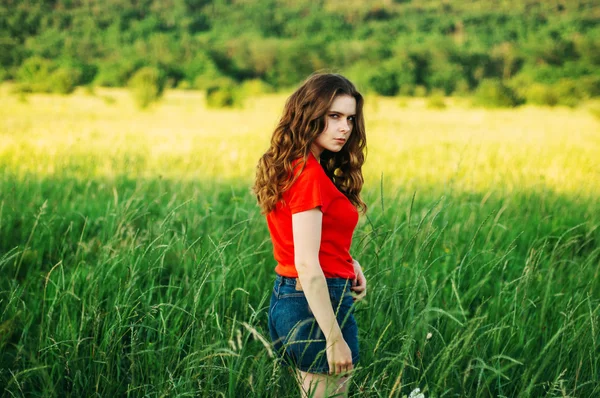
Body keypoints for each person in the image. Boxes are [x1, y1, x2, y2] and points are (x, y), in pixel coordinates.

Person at [253, 73, 368, 397]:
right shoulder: (308, 176)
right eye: (334, 117)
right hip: (314, 301)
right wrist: (333, 338)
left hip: (296, 297)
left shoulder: (295, 166)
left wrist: (348, 263)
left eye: (349, 118)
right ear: (310, 114)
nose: (345, 127)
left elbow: (304, 244)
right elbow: (305, 262)